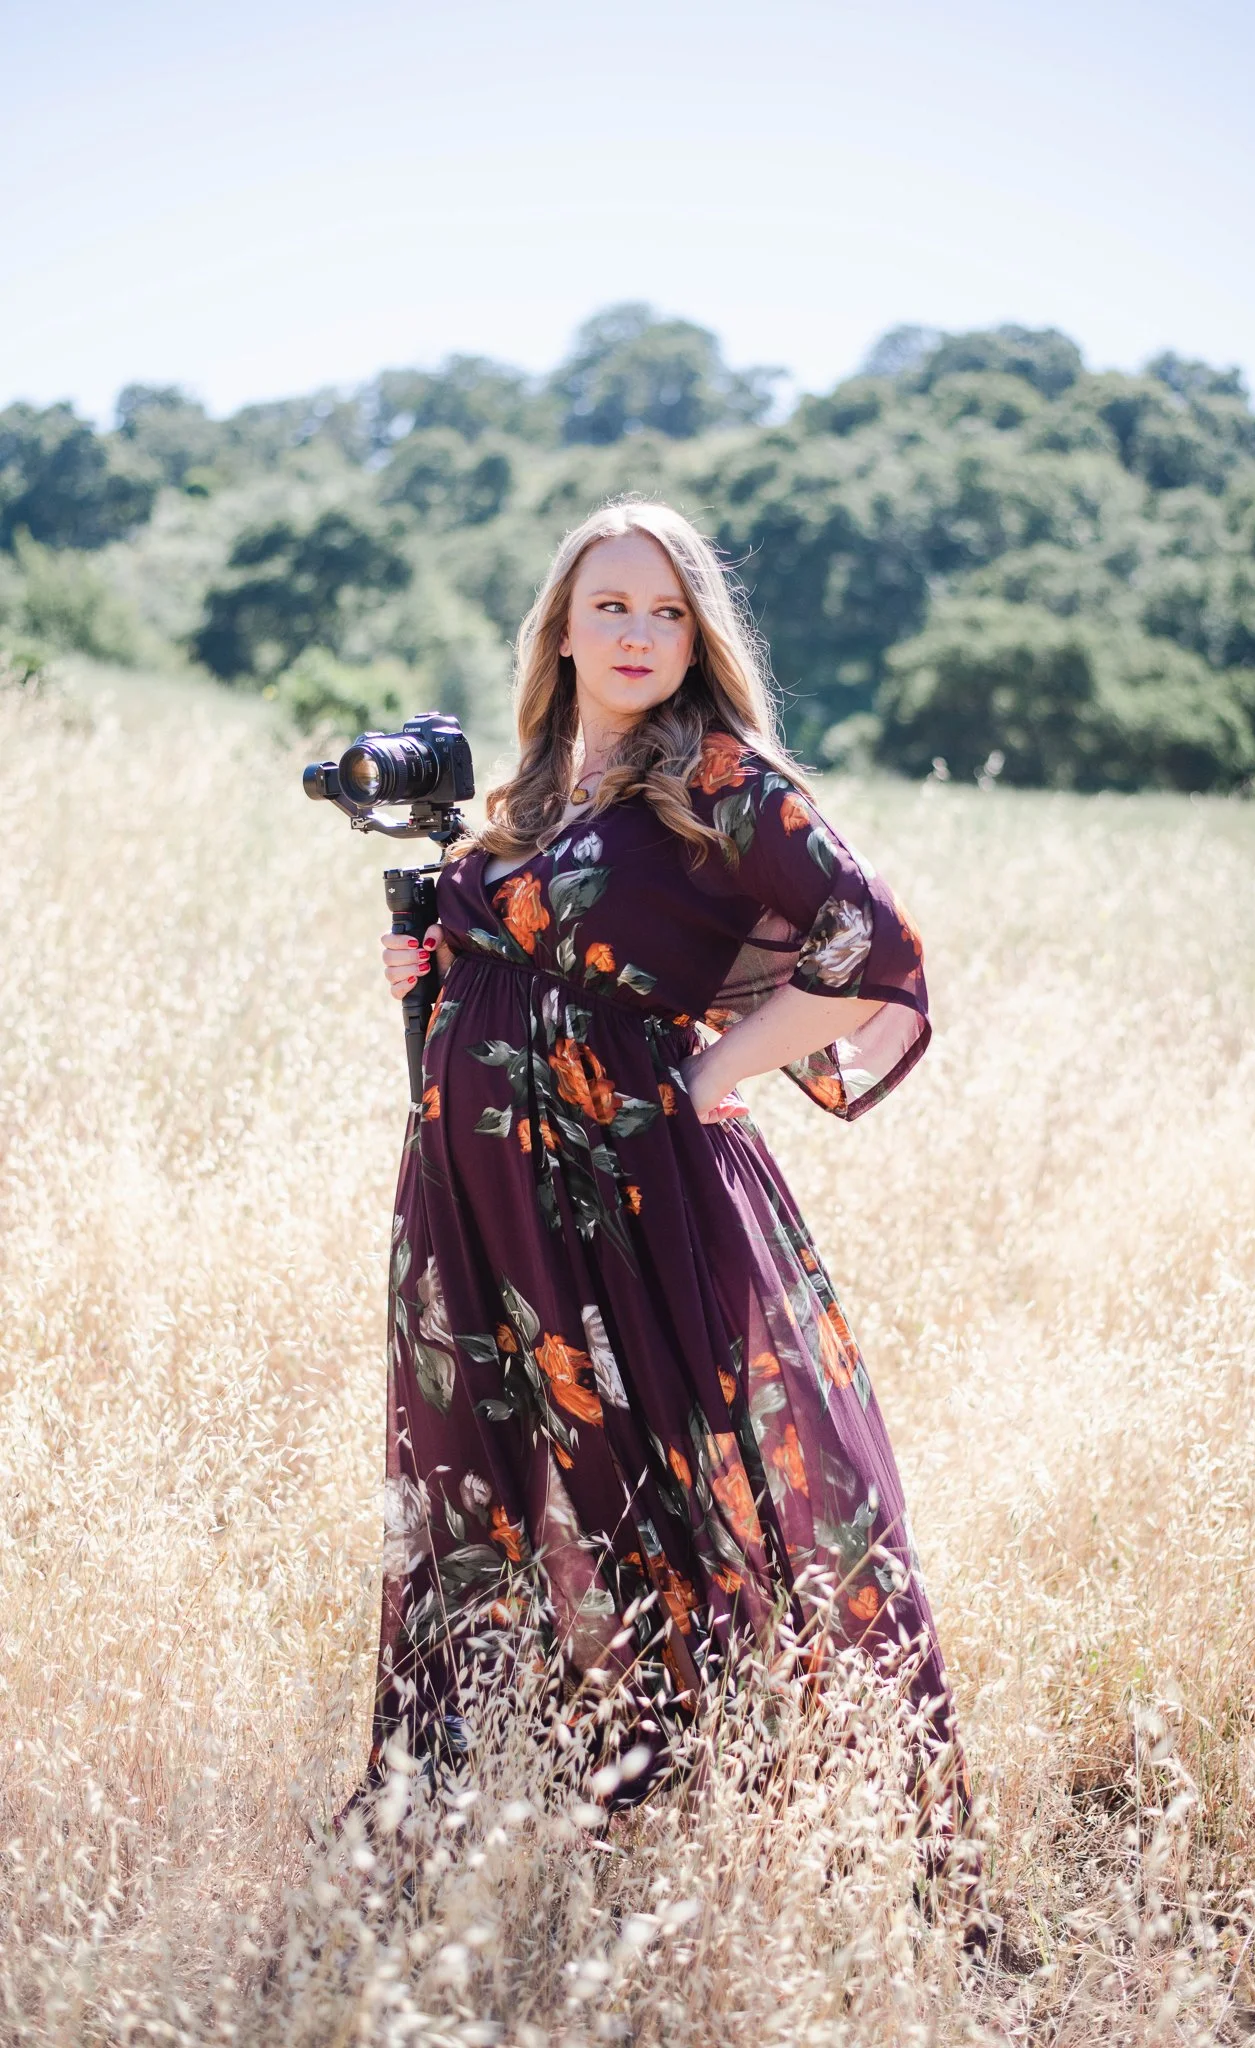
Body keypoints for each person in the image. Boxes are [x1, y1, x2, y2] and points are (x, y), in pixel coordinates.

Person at [370, 499, 971, 1851]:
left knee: (664, 1480)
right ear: (562, 633)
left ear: (699, 633)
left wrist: (702, 1079)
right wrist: (436, 969)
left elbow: (866, 944)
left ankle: (707, 1802)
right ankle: (503, 1796)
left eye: (666, 610)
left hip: (626, 1189)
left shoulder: (715, 774)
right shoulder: (530, 793)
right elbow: (517, 956)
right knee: (505, 1475)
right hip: (476, 1198)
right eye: (610, 608)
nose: (637, 633)